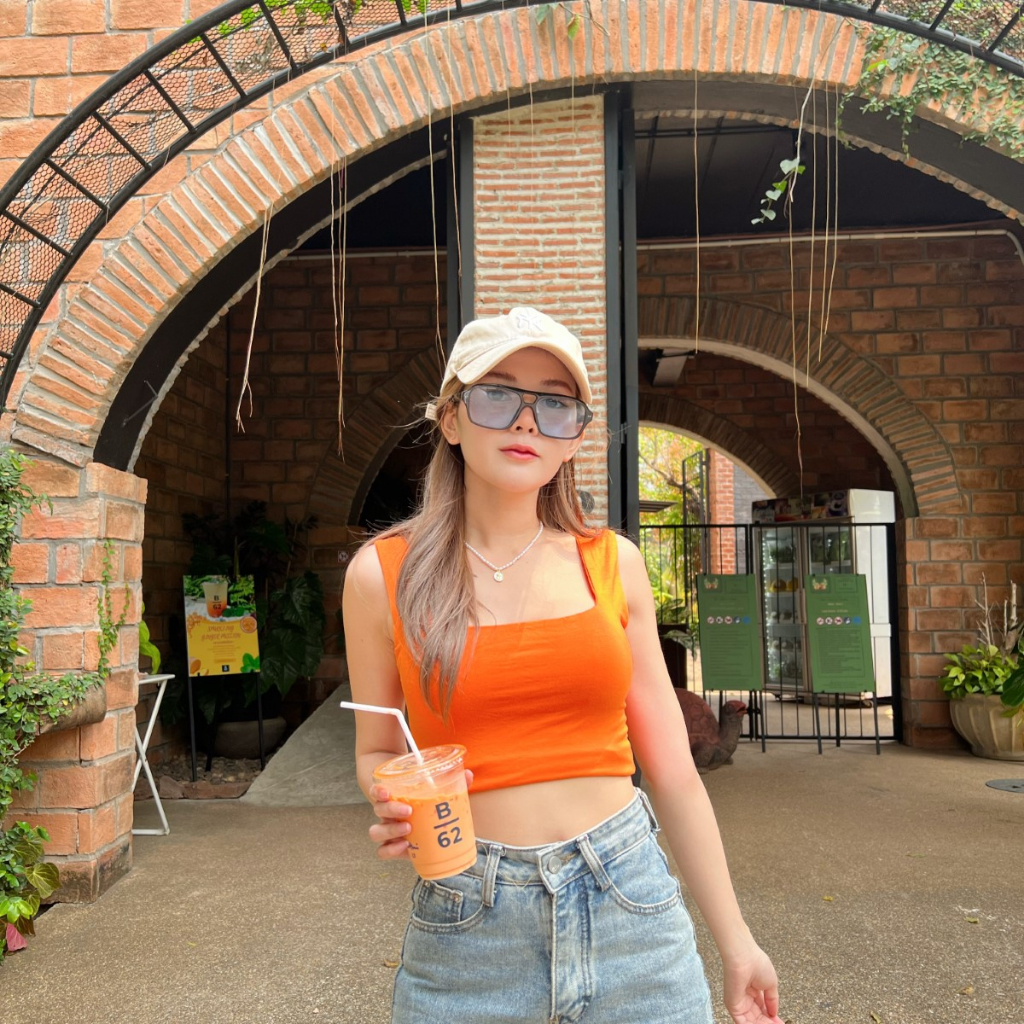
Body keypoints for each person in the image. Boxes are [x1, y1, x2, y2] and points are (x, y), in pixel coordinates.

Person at [343, 307, 784, 1024]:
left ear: (574, 435)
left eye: (554, 404)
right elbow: (377, 751)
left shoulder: (614, 564)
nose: (526, 420)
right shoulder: (381, 575)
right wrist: (389, 797)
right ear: (450, 418)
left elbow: (673, 773)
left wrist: (737, 943)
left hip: (629, 901)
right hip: (468, 917)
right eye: (497, 395)